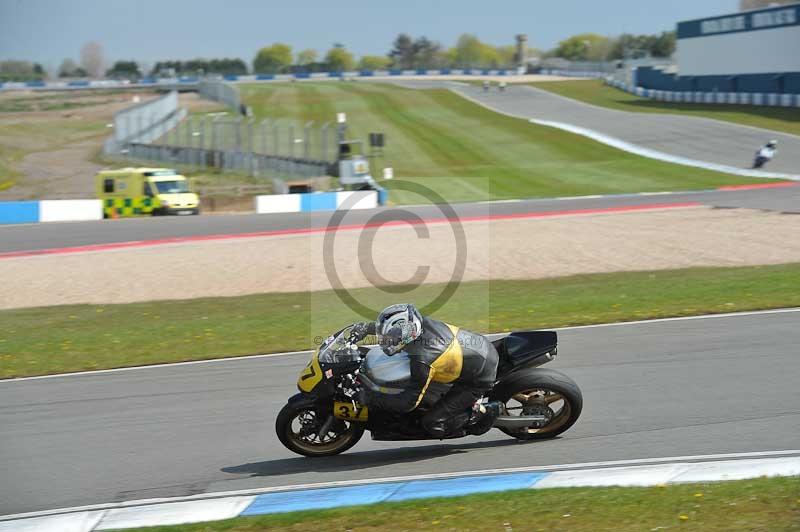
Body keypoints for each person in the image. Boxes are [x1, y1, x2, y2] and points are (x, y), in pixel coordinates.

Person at [350, 304, 501, 438]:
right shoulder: (416, 323)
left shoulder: (422, 360)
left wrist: (371, 399)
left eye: (391, 338)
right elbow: (394, 328)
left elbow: (408, 403)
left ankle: (486, 413)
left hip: (477, 376)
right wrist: (365, 329)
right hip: (475, 349)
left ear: (408, 335)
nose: (386, 341)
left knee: (432, 423)